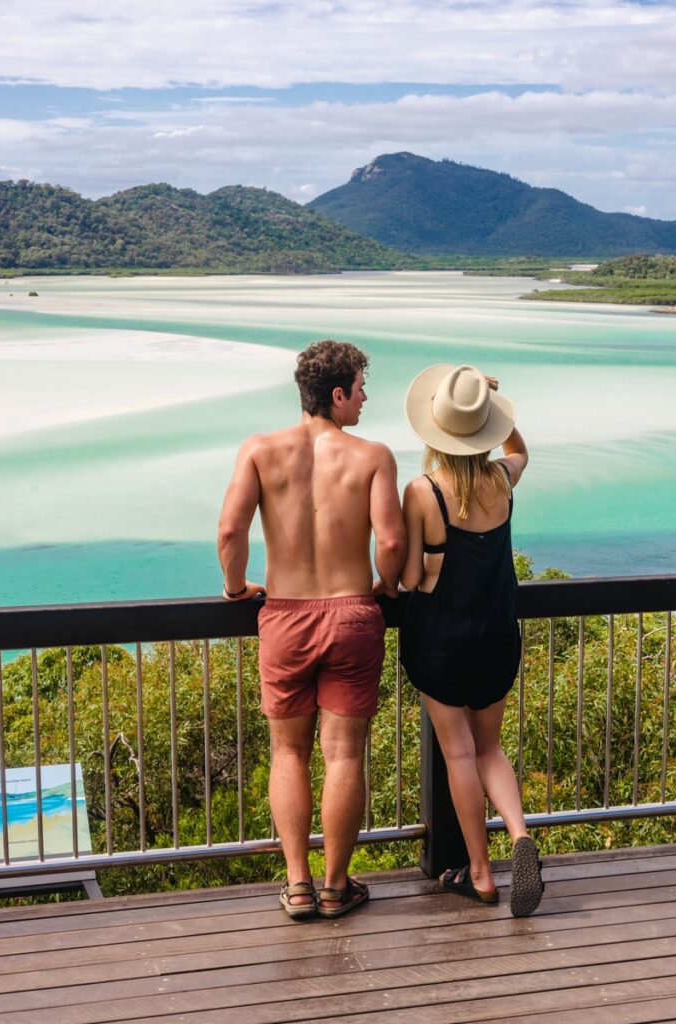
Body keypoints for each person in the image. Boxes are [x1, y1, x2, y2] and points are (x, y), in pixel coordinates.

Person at [217, 340, 405, 921]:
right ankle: (335, 886)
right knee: (344, 754)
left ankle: (297, 884)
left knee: (288, 752)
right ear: (338, 394)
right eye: (361, 388)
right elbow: (392, 542)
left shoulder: (259, 450)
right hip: (351, 613)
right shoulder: (373, 456)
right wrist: (387, 586)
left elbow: (230, 532)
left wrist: (234, 589)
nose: (367, 399)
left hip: (286, 615)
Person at [400, 363, 544, 918]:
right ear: (482, 430)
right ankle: (519, 835)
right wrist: (494, 408)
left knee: (458, 752)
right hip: (496, 637)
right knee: (490, 748)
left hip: (441, 641)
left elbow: (412, 578)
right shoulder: (502, 480)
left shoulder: (422, 492)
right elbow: (521, 452)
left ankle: (480, 875)